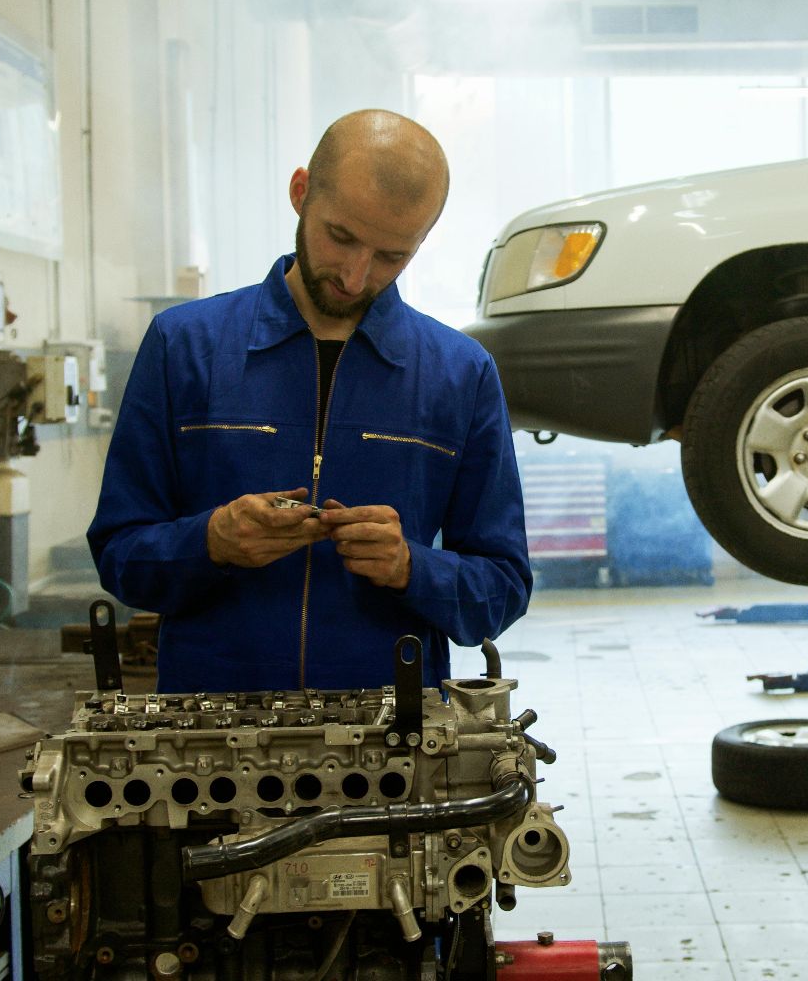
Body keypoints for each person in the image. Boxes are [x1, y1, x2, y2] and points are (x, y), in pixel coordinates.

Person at [88, 110, 531, 693]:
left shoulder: (459, 373)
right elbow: (120, 555)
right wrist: (211, 541)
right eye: (341, 237)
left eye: (391, 257)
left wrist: (411, 567)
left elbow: (502, 589)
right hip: (213, 741)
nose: (354, 276)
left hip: (393, 739)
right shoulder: (184, 346)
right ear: (300, 193)